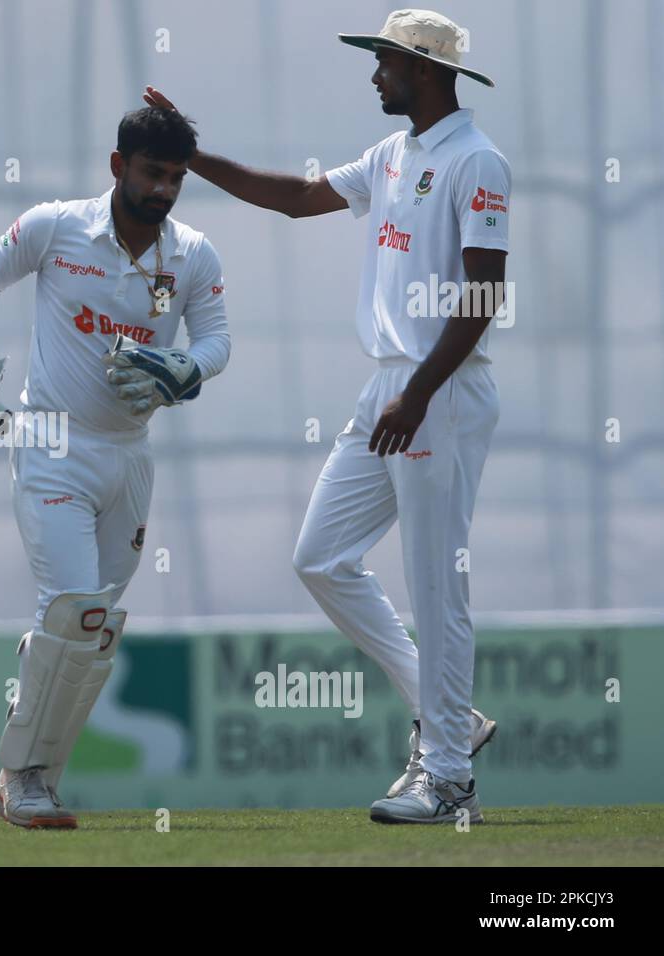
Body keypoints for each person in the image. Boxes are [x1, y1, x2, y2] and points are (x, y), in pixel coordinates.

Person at [145, 8, 508, 823]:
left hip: (438, 392)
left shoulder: (478, 161)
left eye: (384, 61)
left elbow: (484, 292)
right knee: (321, 556)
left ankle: (449, 778)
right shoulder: (395, 153)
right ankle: (450, 721)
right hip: (390, 386)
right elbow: (297, 197)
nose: (373, 74)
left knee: (434, 583)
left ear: (423, 70)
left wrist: (419, 394)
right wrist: (191, 156)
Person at [0, 107, 230, 828]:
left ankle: (28, 777)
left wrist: (185, 368)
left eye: (177, 178)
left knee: (93, 633)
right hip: (52, 443)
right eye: (153, 173)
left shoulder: (192, 254)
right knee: (71, 609)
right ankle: (29, 779)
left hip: (129, 455)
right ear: (117, 165)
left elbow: (217, 339)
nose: (164, 190)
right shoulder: (58, 227)